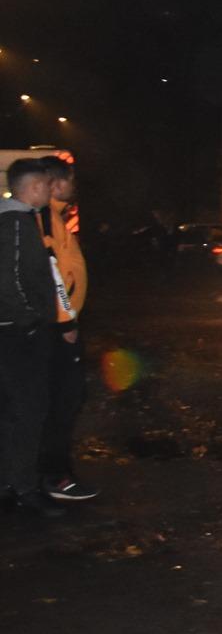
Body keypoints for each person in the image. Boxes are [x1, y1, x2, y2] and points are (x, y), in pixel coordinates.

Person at [0, 158, 64, 517]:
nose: (48, 190)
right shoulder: (16, 223)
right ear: (33, 187)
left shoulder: (17, 221)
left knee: (11, 411)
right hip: (17, 335)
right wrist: (31, 320)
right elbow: (8, 280)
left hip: (12, 332)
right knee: (29, 411)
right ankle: (24, 487)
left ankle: (10, 483)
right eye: (44, 184)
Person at [39, 157, 94, 502]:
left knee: (65, 401)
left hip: (61, 325)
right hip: (59, 329)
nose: (73, 185)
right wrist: (66, 323)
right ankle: (55, 476)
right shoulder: (46, 219)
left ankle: (54, 471)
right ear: (57, 184)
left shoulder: (55, 216)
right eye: (69, 180)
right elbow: (54, 275)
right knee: (63, 401)